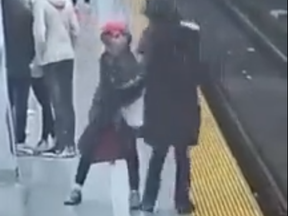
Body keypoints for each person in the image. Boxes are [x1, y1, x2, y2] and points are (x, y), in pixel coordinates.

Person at [64, 22, 143, 208]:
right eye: (113, 38)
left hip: (119, 114)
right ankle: (77, 187)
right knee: (90, 149)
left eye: (118, 37)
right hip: (107, 112)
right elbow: (116, 88)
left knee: (130, 152)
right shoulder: (107, 60)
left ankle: (134, 192)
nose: (115, 41)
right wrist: (138, 82)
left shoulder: (125, 59)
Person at [137, 0, 201, 214]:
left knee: (158, 155)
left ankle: (148, 200)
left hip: (159, 106)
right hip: (183, 104)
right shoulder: (188, 35)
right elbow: (198, 71)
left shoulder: (151, 37)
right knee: (182, 156)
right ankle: (182, 202)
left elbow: (144, 70)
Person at [32, 0, 80, 157]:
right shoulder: (67, 3)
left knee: (57, 102)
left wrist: (40, 57)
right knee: (67, 101)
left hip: (50, 57)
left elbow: (39, 34)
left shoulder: (40, 3)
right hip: (67, 56)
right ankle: (70, 144)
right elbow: (76, 30)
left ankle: (60, 145)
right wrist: (70, 47)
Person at [2, 0, 35, 150]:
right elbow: (32, 40)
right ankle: (19, 138)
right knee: (21, 102)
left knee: (7, 102)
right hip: (23, 63)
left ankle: (7, 136)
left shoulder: (4, 15)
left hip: (5, 64)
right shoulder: (26, 13)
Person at [30, 59, 55, 149]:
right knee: (45, 104)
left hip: (38, 69)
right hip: (38, 68)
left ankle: (47, 137)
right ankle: (52, 134)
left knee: (45, 104)